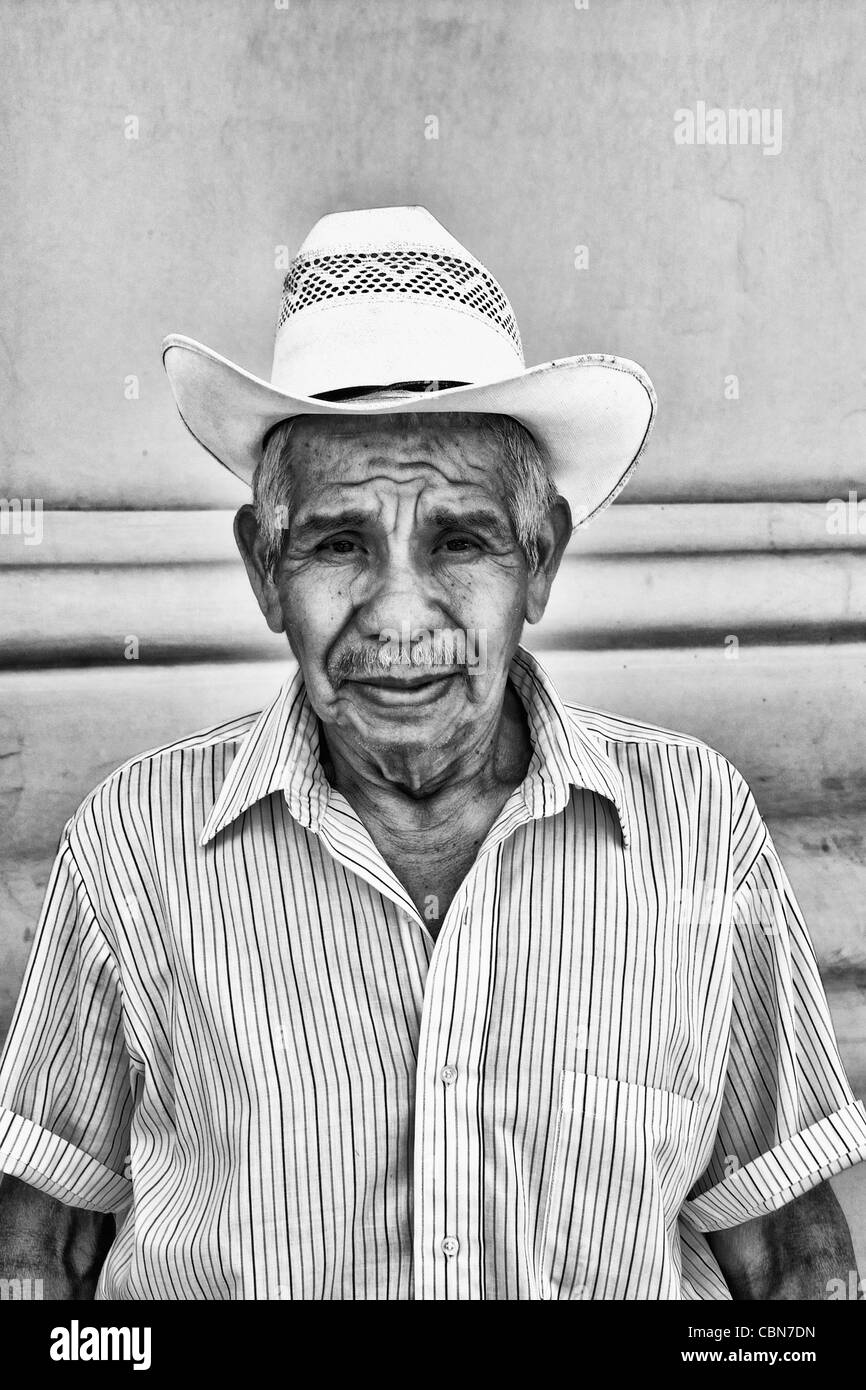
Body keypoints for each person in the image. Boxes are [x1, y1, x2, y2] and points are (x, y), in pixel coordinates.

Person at [1, 206, 864, 1300]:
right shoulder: (138, 841)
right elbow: (36, 1258)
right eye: (336, 544)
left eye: (458, 539)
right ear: (266, 569)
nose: (396, 617)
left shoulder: (693, 825)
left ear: (538, 559)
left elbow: (793, 1264)